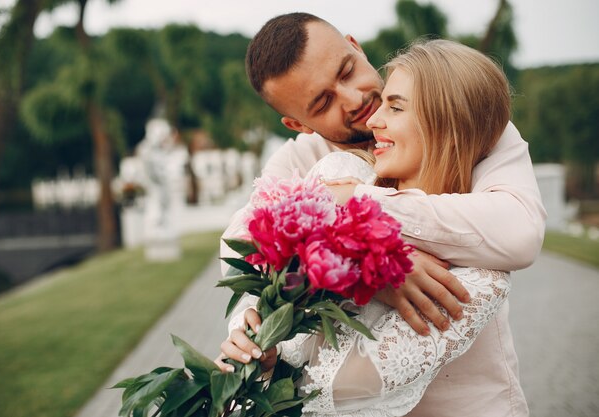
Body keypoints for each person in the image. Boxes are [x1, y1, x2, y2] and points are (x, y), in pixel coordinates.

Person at [218, 13, 545, 417]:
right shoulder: (305, 158)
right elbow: (244, 244)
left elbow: (518, 232)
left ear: (356, 46)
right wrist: (370, 270)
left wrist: (357, 204)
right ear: (298, 124)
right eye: (324, 102)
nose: (356, 100)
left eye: (347, 70)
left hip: (474, 404)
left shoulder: (462, 118)